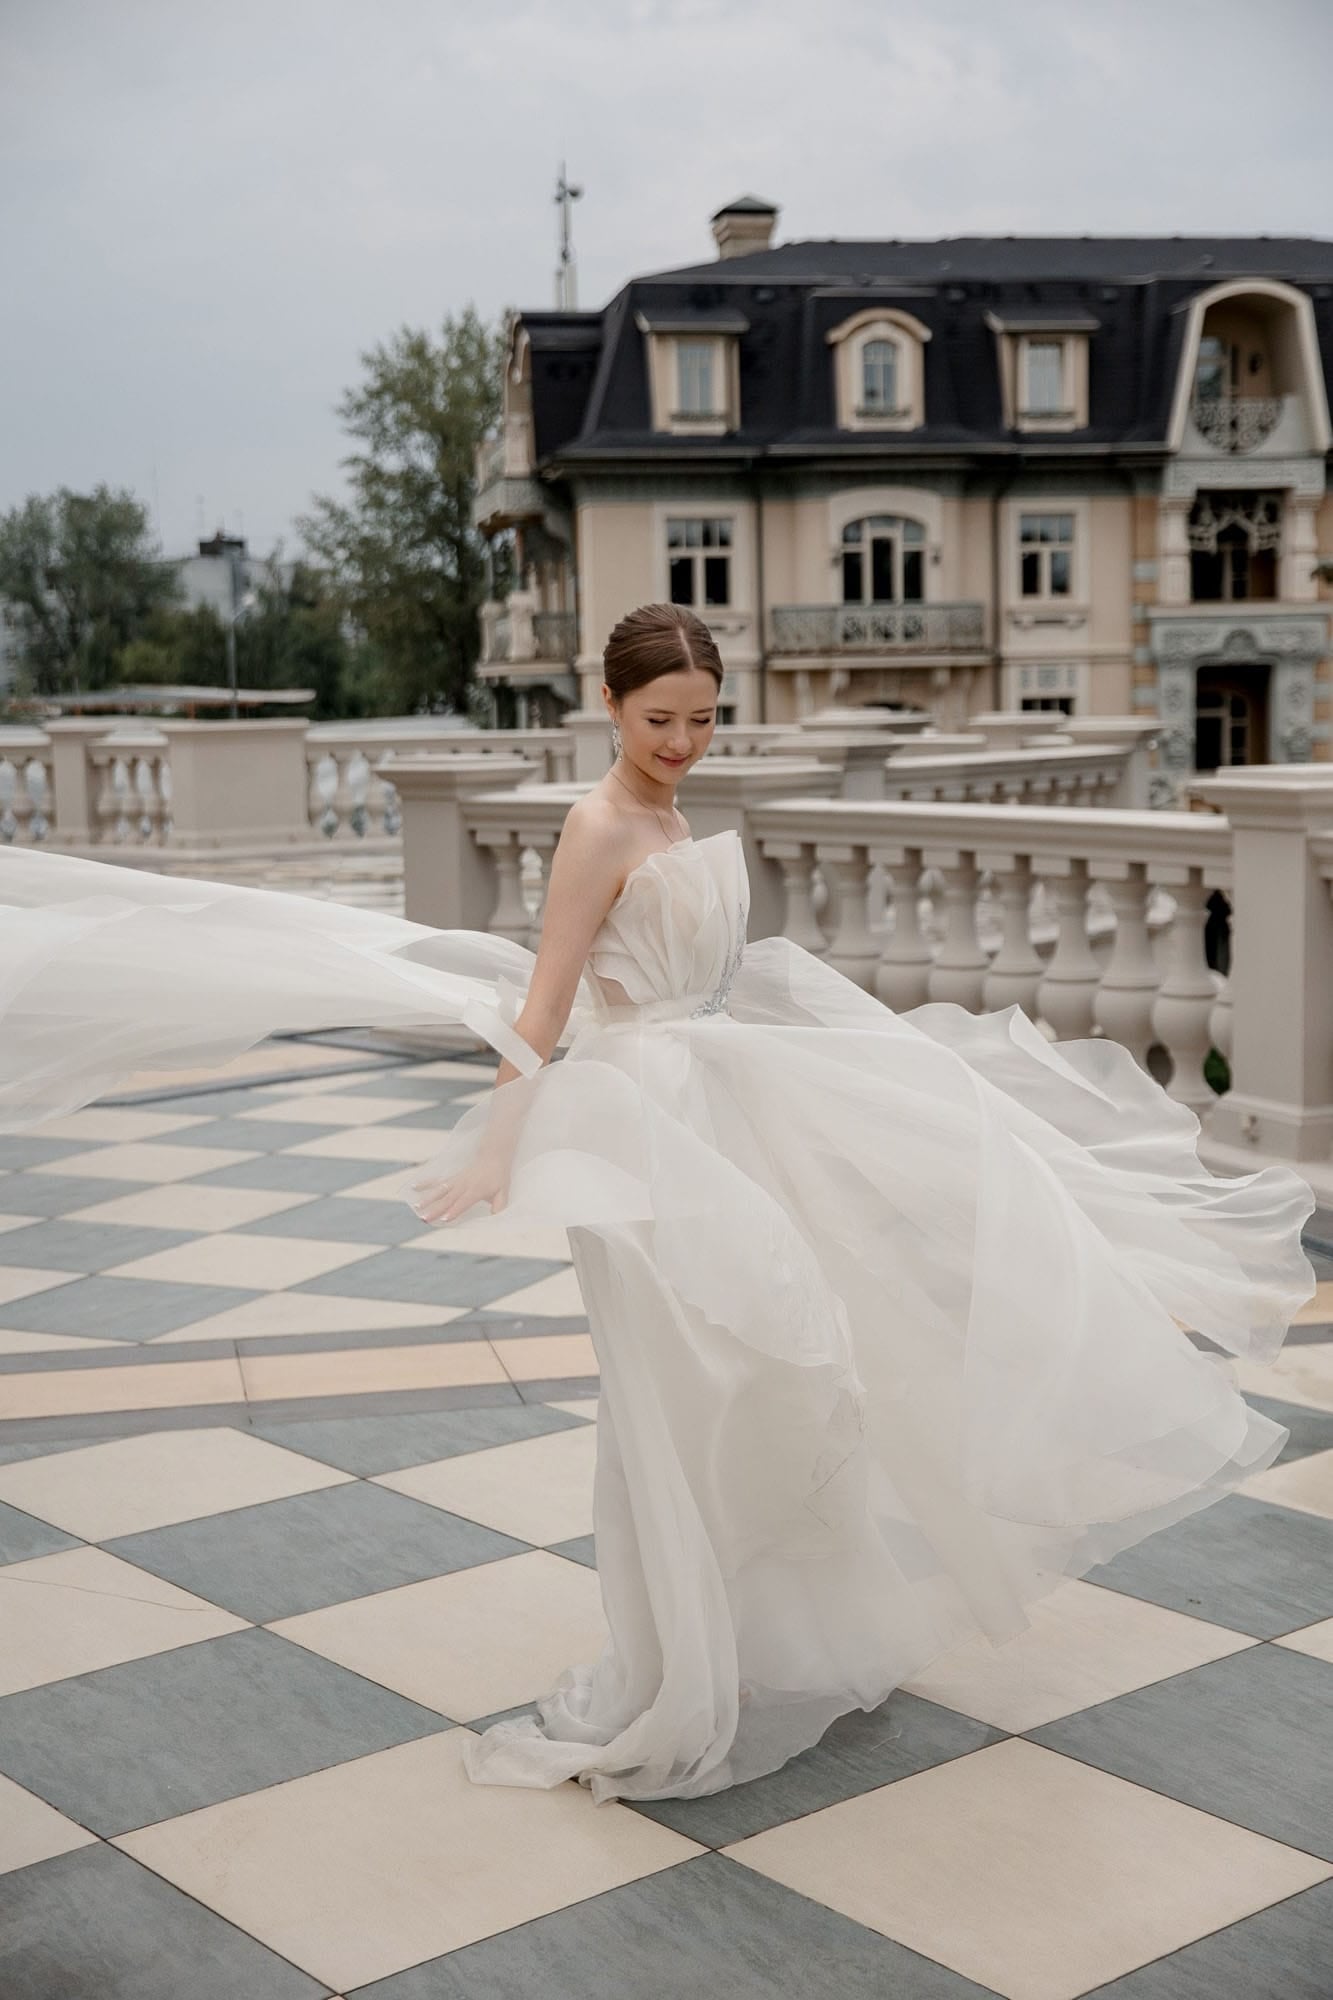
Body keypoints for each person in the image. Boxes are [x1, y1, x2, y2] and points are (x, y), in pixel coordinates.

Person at [0, 601, 1317, 1809]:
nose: (684, 743)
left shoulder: (673, 818)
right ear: (610, 708)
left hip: (721, 1104)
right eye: (658, 720)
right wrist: (499, 1140)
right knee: (673, 1397)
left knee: (779, 1376)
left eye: (701, 717)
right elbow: (549, 996)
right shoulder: (595, 826)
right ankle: (677, 1668)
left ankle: (772, 1639)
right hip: (641, 1127)